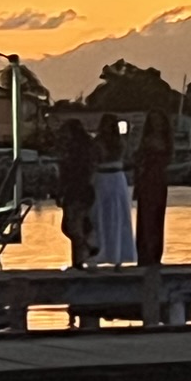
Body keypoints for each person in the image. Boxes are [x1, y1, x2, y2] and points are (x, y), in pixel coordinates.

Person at [92, 115, 136, 266]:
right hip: (110, 177)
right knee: (109, 216)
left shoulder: (107, 142)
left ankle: (112, 253)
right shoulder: (118, 142)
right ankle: (113, 254)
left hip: (110, 177)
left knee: (109, 215)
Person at [56, 118, 98, 268]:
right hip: (83, 189)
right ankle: (79, 259)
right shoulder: (87, 148)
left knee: (72, 226)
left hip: (75, 190)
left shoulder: (73, 150)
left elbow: (66, 172)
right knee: (76, 225)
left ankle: (85, 249)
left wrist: (60, 189)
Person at [134, 109, 173, 266]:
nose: (157, 124)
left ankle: (155, 254)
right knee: (146, 217)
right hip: (147, 180)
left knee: (157, 216)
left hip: (159, 180)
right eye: (154, 121)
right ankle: (145, 254)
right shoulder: (146, 140)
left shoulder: (166, 140)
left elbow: (168, 159)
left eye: (159, 120)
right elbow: (137, 160)